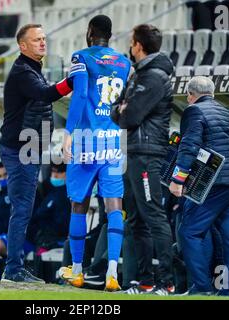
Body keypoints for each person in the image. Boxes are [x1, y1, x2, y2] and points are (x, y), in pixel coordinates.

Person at [59, 15, 131, 292]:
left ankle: (77, 270)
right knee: (115, 207)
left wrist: (67, 133)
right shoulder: (124, 63)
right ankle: (113, 272)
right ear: (110, 35)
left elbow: (78, 97)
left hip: (86, 142)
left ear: (90, 32)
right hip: (113, 142)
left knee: (79, 204)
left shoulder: (81, 56)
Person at [0, 23, 73, 283]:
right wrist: (71, 80)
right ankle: (13, 270)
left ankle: (14, 267)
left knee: (23, 210)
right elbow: (45, 94)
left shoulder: (32, 68)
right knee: (21, 210)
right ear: (22, 46)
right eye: (36, 39)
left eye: (44, 38)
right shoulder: (23, 71)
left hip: (27, 149)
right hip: (21, 151)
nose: (43, 42)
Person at [111, 24, 175, 295]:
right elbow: (118, 109)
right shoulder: (140, 74)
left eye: (131, 41)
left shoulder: (154, 77)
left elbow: (129, 116)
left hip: (147, 154)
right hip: (134, 152)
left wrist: (123, 110)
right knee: (136, 219)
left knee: (154, 216)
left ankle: (167, 282)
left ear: (137, 44)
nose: (130, 46)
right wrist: (121, 109)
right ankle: (145, 280)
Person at [168, 76, 229, 296]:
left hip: (215, 182)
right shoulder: (227, 112)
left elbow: (189, 144)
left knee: (189, 232)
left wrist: (178, 179)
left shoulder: (193, 111)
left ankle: (201, 288)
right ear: (212, 93)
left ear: (190, 95)